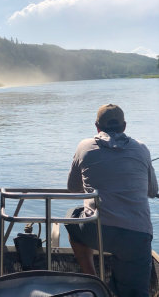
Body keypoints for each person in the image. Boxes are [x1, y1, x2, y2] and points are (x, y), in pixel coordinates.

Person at [65, 104, 158, 297]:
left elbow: (72, 188)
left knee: (73, 218)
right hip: (137, 235)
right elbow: (152, 191)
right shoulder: (142, 149)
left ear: (97, 127)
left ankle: (93, 281)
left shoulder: (84, 146)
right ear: (124, 126)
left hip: (96, 232)